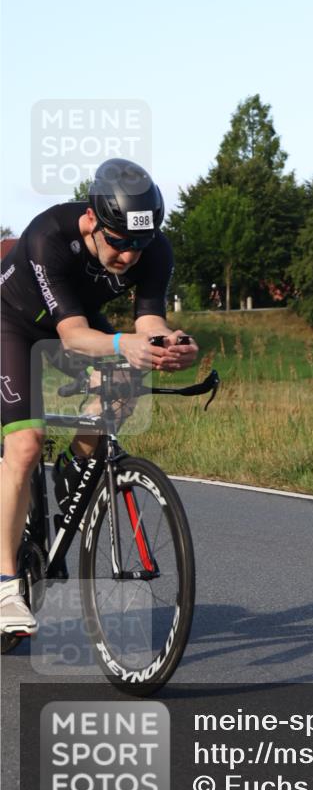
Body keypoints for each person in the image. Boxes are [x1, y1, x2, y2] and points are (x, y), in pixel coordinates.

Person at [0, 158, 198, 635]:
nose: (129, 256)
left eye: (140, 244)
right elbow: (71, 337)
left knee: (124, 383)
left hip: (80, 323)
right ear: (91, 220)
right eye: (119, 242)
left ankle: (77, 470)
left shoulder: (154, 249)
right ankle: (5, 587)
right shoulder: (49, 235)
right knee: (25, 447)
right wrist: (120, 344)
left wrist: (170, 342)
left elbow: (148, 320)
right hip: (12, 324)